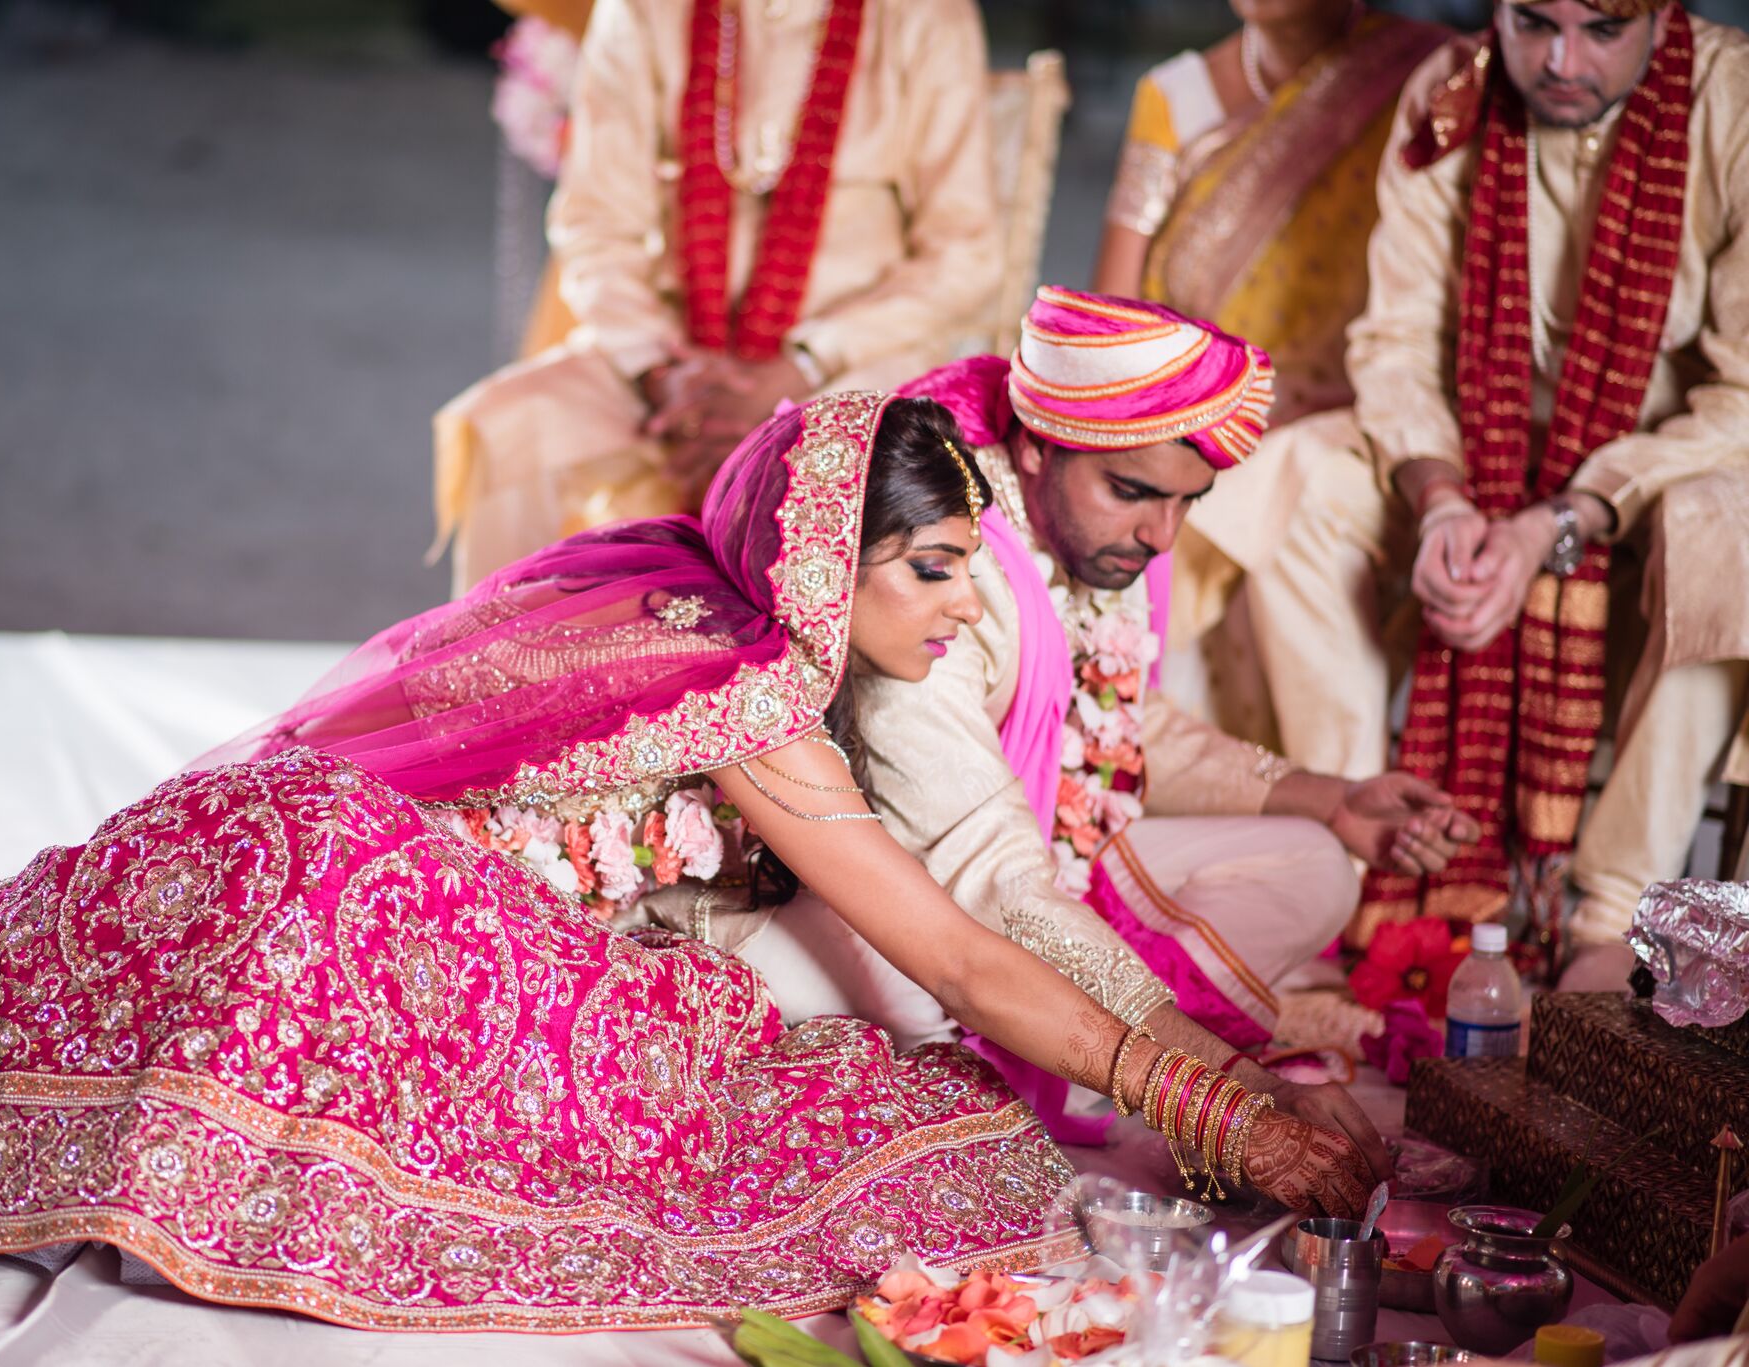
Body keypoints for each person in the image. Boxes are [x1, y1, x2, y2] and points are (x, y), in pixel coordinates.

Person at [0, 393, 1375, 1332]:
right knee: (878, 1118)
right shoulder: (758, 693)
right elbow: (956, 958)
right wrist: (1221, 1105)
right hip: (339, 888)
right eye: (937, 570)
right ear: (832, 559)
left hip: (247, 835)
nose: (968, 608)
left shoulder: (657, 579)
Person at [721, 290, 1475, 1159]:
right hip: (910, 897)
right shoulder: (933, 570)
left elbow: (1115, 719)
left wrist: (1331, 799)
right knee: (917, 988)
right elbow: (989, 891)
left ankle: (1083, 1032)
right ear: (1038, 445)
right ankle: (1071, 1039)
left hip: (1028, 864)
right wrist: (1225, 1090)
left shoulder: (1102, 543)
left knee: (1316, 862)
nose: (1162, 534)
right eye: (1134, 492)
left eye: (1189, 502)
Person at [1234, 0, 1749, 964]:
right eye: (1532, 23)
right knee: (1298, 480)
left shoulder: (1735, 104)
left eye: (1603, 28)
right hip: (1480, 454)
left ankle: (1610, 915)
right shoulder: (1452, 93)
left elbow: (1745, 394)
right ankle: (1356, 852)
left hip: (1658, 474)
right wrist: (1444, 504)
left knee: (1724, 531)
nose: (1561, 61)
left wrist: (1562, 518)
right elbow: (1396, 343)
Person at [431, 0, 1004, 595]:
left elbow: (966, 254)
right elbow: (594, 226)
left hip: (849, 362)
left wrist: (800, 366)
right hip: (671, 364)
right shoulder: (641, 11)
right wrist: (662, 373)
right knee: (503, 427)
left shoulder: (925, 16)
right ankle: (497, 674)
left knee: (849, 477)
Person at [1089, 0, 1450, 743]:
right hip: (1191, 416)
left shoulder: (1427, 78)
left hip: (1367, 422)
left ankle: (1327, 813)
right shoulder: (1177, 96)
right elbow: (1112, 324)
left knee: (1269, 497)